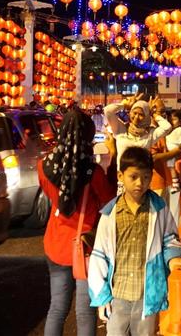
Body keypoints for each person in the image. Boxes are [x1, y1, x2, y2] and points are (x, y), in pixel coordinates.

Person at [89, 147, 181, 336]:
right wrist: (102, 297)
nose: (140, 183)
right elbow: (99, 256)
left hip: (147, 295)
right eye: (133, 177)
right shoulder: (110, 214)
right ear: (120, 176)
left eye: (145, 177)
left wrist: (173, 259)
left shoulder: (159, 209)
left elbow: (170, 239)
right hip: (117, 295)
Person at [38, 108, 116, 336]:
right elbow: (109, 200)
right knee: (85, 312)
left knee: (57, 309)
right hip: (84, 248)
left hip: (55, 244)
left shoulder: (44, 166)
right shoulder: (92, 173)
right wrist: (111, 165)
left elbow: (50, 194)